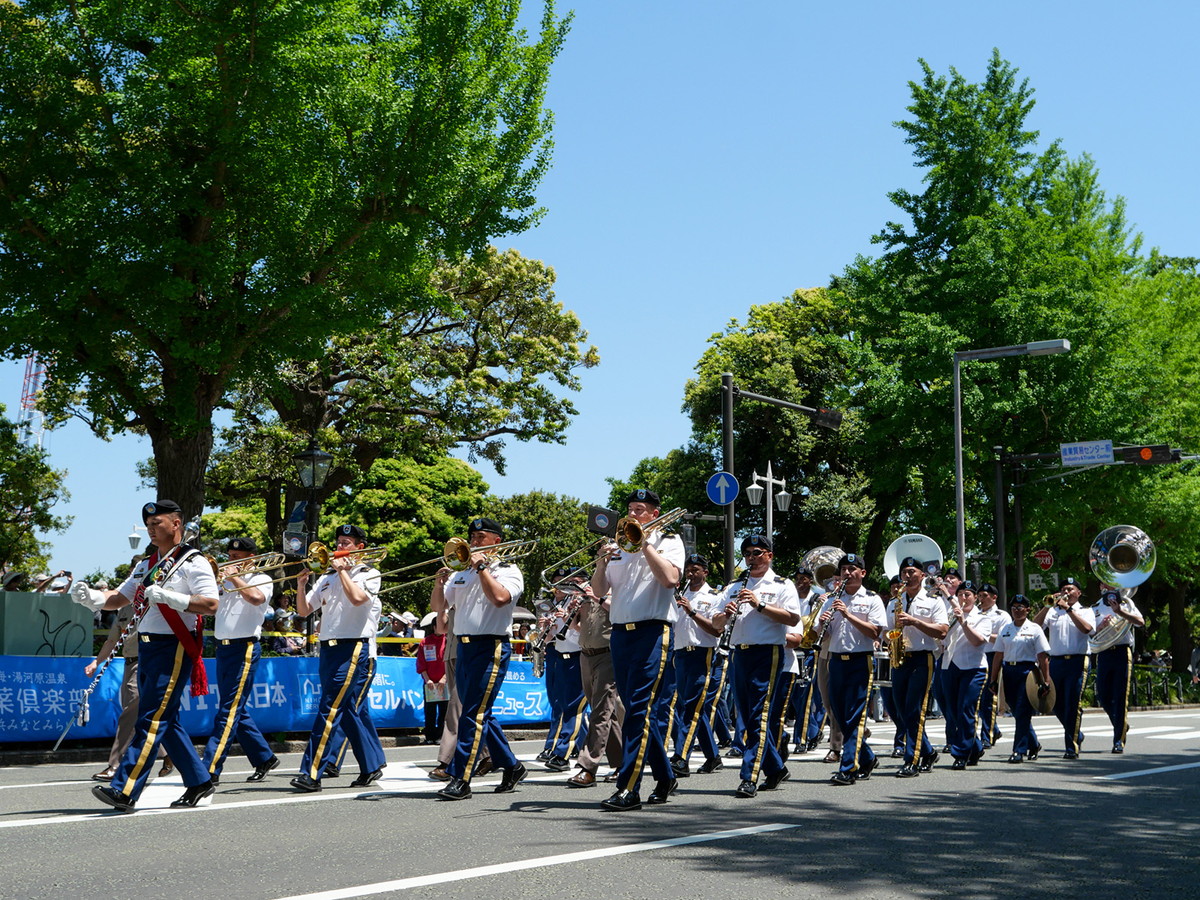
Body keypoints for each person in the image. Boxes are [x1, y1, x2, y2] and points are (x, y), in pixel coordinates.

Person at [71, 499, 218, 812]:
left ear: (176, 524)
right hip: (148, 646)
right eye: (149, 525)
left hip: (175, 646)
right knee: (166, 718)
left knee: (151, 719)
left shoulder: (193, 562)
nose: (151, 529)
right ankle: (199, 780)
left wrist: (172, 598)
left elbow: (210, 603)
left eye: (158, 524)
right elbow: (120, 597)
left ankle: (125, 789)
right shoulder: (147, 564)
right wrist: (93, 599)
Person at [590, 488, 685, 811]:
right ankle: (665, 774)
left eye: (640, 510)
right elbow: (599, 590)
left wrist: (644, 544)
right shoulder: (618, 546)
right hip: (620, 634)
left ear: (654, 514)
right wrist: (602, 563)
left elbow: (670, 579)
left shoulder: (668, 542)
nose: (633, 515)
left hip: (653, 631)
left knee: (640, 710)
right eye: (630, 509)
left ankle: (629, 787)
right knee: (636, 712)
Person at [434, 517, 527, 800]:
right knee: (476, 712)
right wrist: (440, 583)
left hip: (491, 646)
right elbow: (441, 607)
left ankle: (460, 778)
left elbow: (500, 598)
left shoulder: (509, 570)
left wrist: (482, 568)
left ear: (496, 541)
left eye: (481, 536)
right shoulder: (461, 572)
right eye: (472, 536)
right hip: (463, 646)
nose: (473, 541)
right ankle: (512, 765)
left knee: (472, 714)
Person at [290, 525, 387, 791]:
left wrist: (343, 571)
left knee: (329, 707)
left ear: (359, 548)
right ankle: (371, 764)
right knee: (345, 710)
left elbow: (357, 599)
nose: (339, 546)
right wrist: (301, 586)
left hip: (354, 647)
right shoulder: (327, 577)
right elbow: (304, 610)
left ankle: (311, 773)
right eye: (338, 542)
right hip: (329, 648)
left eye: (346, 542)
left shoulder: (370, 574)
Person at [712, 535, 801, 798]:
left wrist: (759, 604)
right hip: (740, 653)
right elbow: (716, 624)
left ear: (769, 555)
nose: (752, 558)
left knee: (759, 714)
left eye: (758, 552)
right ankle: (775, 767)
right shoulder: (733, 586)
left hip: (768, 652)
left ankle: (749, 776)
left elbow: (793, 617)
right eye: (748, 553)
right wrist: (726, 613)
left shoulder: (781, 584)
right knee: (747, 715)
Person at [201, 537, 280, 786]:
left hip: (244, 646)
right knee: (233, 707)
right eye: (230, 556)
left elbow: (256, 599)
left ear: (251, 558)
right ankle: (263, 756)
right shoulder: (222, 579)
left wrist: (235, 577)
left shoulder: (261, 578)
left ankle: (210, 768)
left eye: (238, 557)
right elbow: (210, 608)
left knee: (228, 711)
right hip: (222, 648)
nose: (231, 560)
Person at [819, 553, 887, 786]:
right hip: (835, 659)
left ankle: (848, 767)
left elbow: (875, 632)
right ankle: (867, 757)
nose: (848, 573)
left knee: (855, 715)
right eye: (844, 569)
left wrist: (848, 614)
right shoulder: (831, 599)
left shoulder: (872, 599)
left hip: (860, 660)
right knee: (839, 714)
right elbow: (825, 634)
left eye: (853, 569)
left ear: (863, 573)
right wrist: (822, 624)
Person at [86, 603, 172, 782]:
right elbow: (112, 641)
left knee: (129, 714)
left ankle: (115, 764)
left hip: (149, 662)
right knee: (140, 714)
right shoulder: (124, 609)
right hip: (129, 664)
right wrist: (96, 662)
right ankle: (169, 753)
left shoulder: (154, 603)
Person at [886, 556, 949, 777]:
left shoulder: (934, 601)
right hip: (900, 658)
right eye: (905, 572)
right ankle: (929, 751)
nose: (908, 575)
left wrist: (915, 622)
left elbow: (942, 631)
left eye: (913, 571)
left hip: (923, 658)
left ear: (922, 575)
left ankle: (911, 760)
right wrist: (891, 640)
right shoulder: (894, 602)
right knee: (901, 711)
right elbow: (887, 632)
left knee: (915, 710)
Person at [566, 572, 625, 788]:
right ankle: (622, 763)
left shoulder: (617, 590)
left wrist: (597, 598)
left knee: (600, 712)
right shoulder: (584, 595)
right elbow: (575, 627)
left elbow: (619, 613)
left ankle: (587, 767)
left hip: (608, 653)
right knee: (606, 712)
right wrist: (572, 611)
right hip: (586, 654)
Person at [670, 554, 724, 777]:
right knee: (689, 707)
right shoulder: (679, 595)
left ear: (705, 572)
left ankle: (681, 757)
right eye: (688, 570)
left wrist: (691, 611)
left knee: (691, 707)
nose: (691, 574)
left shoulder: (714, 597)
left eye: (695, 570)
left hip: (702, 653)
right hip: (680, 655)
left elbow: (715, 629)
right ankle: (712, 756)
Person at [1033, 576, 1093, 759]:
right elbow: (1035, 626)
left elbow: (1087, 629)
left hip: (1078, 660)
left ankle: (1071, 747)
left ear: (1079, 593)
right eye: (1064, 589)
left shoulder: (1086, 610)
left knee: (1073, 704)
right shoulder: (1052, 612)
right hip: (1056, 661)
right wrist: (1047, 605)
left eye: (1071, 589)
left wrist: (1069, 610)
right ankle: (1076, 733)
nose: (1067, 592)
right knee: (1055, 704)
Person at [988, 594, 1051, 763]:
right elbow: (998, 655)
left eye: (1020, 607)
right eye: (1014, 607)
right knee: (1016, 711)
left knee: (1023, 711)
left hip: (1027, 671)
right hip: (1009, 671)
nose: (1017, 610)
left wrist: (1046, 679)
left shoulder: (1035, 629)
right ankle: (1034, 743)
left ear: (1028, 610)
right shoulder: (1006, 629)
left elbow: (1042, 655)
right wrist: (993, 679)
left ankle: (1019, 750)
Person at [940, 581, 993, 769]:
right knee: (953, 713)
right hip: (949, 666)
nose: (963, 598)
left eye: (968, 594)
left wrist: (963, 622)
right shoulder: (950, 615)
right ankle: (975, 747)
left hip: (973, 668)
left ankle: (961, 753)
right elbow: (942, 639)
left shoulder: (983, 618)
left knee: (966, 709)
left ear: (975, 597)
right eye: (960, 594)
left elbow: (978, 641)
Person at [539, 575, 589, 771]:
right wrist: (546, 627)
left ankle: (562, 752)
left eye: (575, 580)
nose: (569, 584)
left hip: (578, 655)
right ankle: (581, 745)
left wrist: (569, 617)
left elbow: (583, 631)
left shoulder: (585, 599)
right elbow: (554, 637)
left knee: (573, 707)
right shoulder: (567, 601)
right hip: (561, 656)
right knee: (564, 706)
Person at [1092, 586, 1144, 753]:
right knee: (1102, 695)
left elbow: (1140, 622)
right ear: (1100, 587)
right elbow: (1089, 633)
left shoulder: (1127, 603)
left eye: (1111, 584)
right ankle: (1120, 724)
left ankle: (1118, 741)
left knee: (1120, 696)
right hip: (1104, 652)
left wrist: (1120, 612)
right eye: (1104, 584)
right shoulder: (1095, 607)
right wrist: (1100, 627)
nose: (1107, 587)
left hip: (1122, 652)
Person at [790, 568, 825, 755]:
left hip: (809, 650)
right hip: (793, 648)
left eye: (803, 579)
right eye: (797, 579)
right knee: (795, 696)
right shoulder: (792, 597)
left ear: (810, 581)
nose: (799, 582)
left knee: (805, 696)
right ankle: (813, 731)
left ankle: (801, 739)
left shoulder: (816, 600)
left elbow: (817, 626)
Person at [975, 583, 1011, 748]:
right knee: (978, 698)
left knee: (989, 697)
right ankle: (993, 729)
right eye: (980, 596)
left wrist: (985, 635)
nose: (981, 599)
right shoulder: (975, 613)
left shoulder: (1001, 615)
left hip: (993, 656)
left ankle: (987, 735)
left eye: (985, 596)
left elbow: (1005, 638)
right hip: (976, 656)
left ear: (994, 597)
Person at [416, 611, 449, 744]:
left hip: (444, 683)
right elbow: (421, 662)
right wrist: (427, 679)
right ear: (434, 626)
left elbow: (452, 662)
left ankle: (441, 736)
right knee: (429, 710)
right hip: (429, 682)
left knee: (444, 711)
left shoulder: (448, 641)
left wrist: (444, 678)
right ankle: (429, 736)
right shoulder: (425, 642)